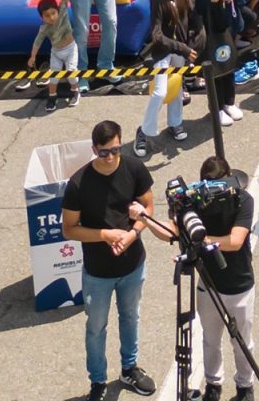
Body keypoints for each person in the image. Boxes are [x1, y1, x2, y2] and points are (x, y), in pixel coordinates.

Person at [60, 119, 169, 400]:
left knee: (130, 317)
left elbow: (148, 207)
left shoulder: (134, 168)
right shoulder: (78, 184)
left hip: (133, 264)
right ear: (94, 149)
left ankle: (129, 368)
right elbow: (69, 228)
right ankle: (98, 381)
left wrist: (132, 235)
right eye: (103, 152)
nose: (110, 158)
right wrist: (106, 235)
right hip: (97, 272)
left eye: (115, 150)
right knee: (96, 328)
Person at [176, 154, 256, 401]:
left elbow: (235, 241)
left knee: (242, 342)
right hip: (208, 284)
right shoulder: (196, 205)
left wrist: (206, 241)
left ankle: (245, 386)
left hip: (240, 284)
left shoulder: (244, 200)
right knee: (210, 340)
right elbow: (179, 233)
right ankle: (213, 385)